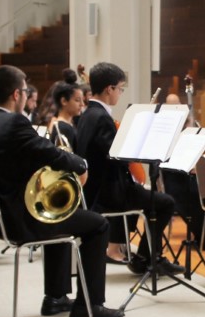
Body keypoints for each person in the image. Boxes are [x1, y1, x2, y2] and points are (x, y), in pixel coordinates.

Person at [0, 65, 124, 317]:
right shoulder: (15, 122)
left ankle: (55, 298)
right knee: (98, 224)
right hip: (20, 220)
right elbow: (49, 152)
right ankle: (90, 305)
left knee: (59, 211)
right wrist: (80, 164)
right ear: (16, 95)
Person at [74, 61, 182, 276]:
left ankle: (148, 257)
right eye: (120, 88)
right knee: (165, 203)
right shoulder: (101, 118)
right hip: (109, 192)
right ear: (109, 89)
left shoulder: (87, 115)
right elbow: (117, 156)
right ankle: (145, 258)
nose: (120, 93)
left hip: (96, 188)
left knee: (152, 200)